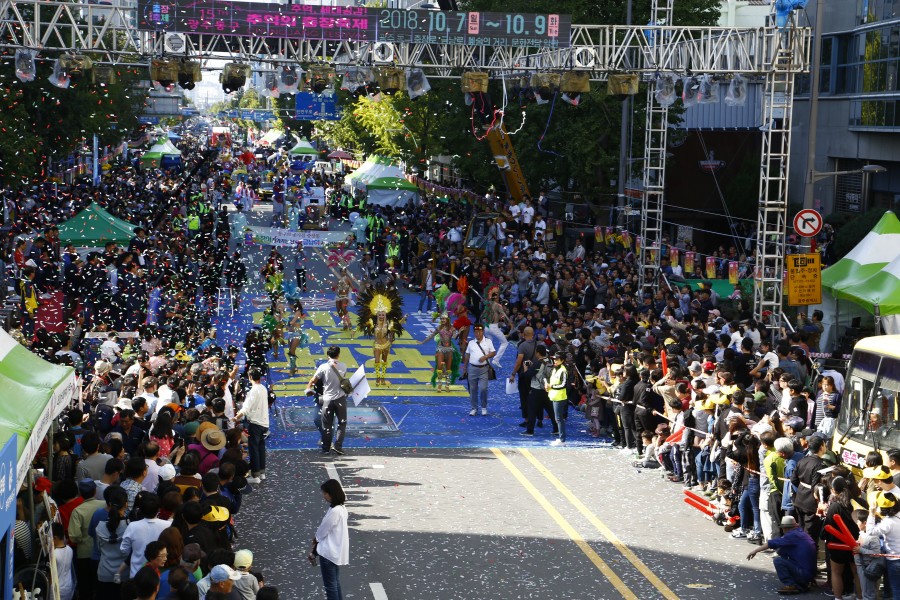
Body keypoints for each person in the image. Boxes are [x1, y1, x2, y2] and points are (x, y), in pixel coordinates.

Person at [747, 515, 817, 594]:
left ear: (786, 528)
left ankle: (791, 585)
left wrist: (755, 550)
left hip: (804, 573)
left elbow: (771, 543)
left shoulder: (792, 536)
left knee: (778, 561)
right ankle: (804, 582)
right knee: (782, 553)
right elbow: (781, 551)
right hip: (810, 573)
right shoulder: (801, 533)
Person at [308, 479, 349, 600]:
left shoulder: (335, 511)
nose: (324, 496)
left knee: (330, 586)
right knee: (335, 583)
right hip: (335, 551)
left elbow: (323, 530)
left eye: (325, 493)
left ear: (332, 493)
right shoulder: (341, 508)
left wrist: (315, 539)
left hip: (328, 553)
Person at [306, 346, 349, 455]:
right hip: (340, 399)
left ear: (327, 355)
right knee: (341, 423)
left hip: (327, 399)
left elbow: (313, 380)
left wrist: (308, 389)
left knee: (326, 425)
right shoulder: (344, 366)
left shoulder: (323, 367)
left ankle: (326, 448)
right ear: (338, 355)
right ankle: (338, 446)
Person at [234, 368, 269, 484]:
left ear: (250, 377)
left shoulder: (253, 391)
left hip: (255, 423)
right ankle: (262, 473)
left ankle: (255, 475)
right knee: (261, 447)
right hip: (264, 423)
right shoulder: (263, 388)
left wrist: (236, 417)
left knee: (254, 449)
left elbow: (246, 408)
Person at [461, 324, 495, 417]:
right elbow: (467, 355)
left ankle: (484, 407)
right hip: (472, 369)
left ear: (483, 331)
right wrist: (465, 367)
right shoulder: (471, 342)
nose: (478, 334)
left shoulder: (488, 341)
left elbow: (493, 352)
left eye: (479, 332)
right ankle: (474, 408)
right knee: (472, 389)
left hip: (483, 369)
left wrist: (486, 356)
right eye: (476, 332)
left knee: (484, 388)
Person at [419, 314, 458, 392]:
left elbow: (454, 337)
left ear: (447, 320)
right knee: (439, 367)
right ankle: (439, 385)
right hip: (441, 348)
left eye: (444, 319)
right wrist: (423, 342)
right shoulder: (439, 328)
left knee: (448, 368)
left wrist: (458, 332)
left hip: (449, 349)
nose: (442, 320)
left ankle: (447, 385)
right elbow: (431, 335)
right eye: (441, 319)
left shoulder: (452, 328)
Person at [372, 311, 403, 387]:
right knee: (377, 361)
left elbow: (394, 330)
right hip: (377, 345)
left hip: (386, 344)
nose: (381, 316)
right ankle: (377, 377)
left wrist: (391, 338)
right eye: (380, 315)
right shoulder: (373, 324)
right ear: (377, 315)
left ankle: (382, 377)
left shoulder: (388, 324)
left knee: (384, 361)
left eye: (383, 315)